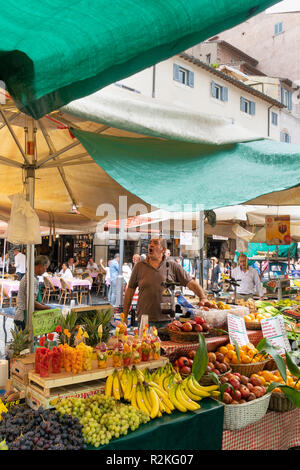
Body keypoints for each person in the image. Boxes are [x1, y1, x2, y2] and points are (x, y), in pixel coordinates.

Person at [123, 237, 208, 329]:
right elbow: (130, 292)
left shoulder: (173, 266)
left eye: (155, 243)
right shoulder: (139, 266)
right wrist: (124, 315)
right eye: (150, 242)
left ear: (163, 249)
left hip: (167, 321)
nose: (151, 245)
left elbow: (190, 283)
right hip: (144, 320)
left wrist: (203, 297)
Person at [14, 255, 51, 331]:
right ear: (41, 266)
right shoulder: (31, 279)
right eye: (45, 268)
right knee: (25, 342)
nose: (45, 271)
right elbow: (32, 302)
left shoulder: (30, 276)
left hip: (22, 316)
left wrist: (41, 304)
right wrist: (46, 308)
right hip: (24, 317)